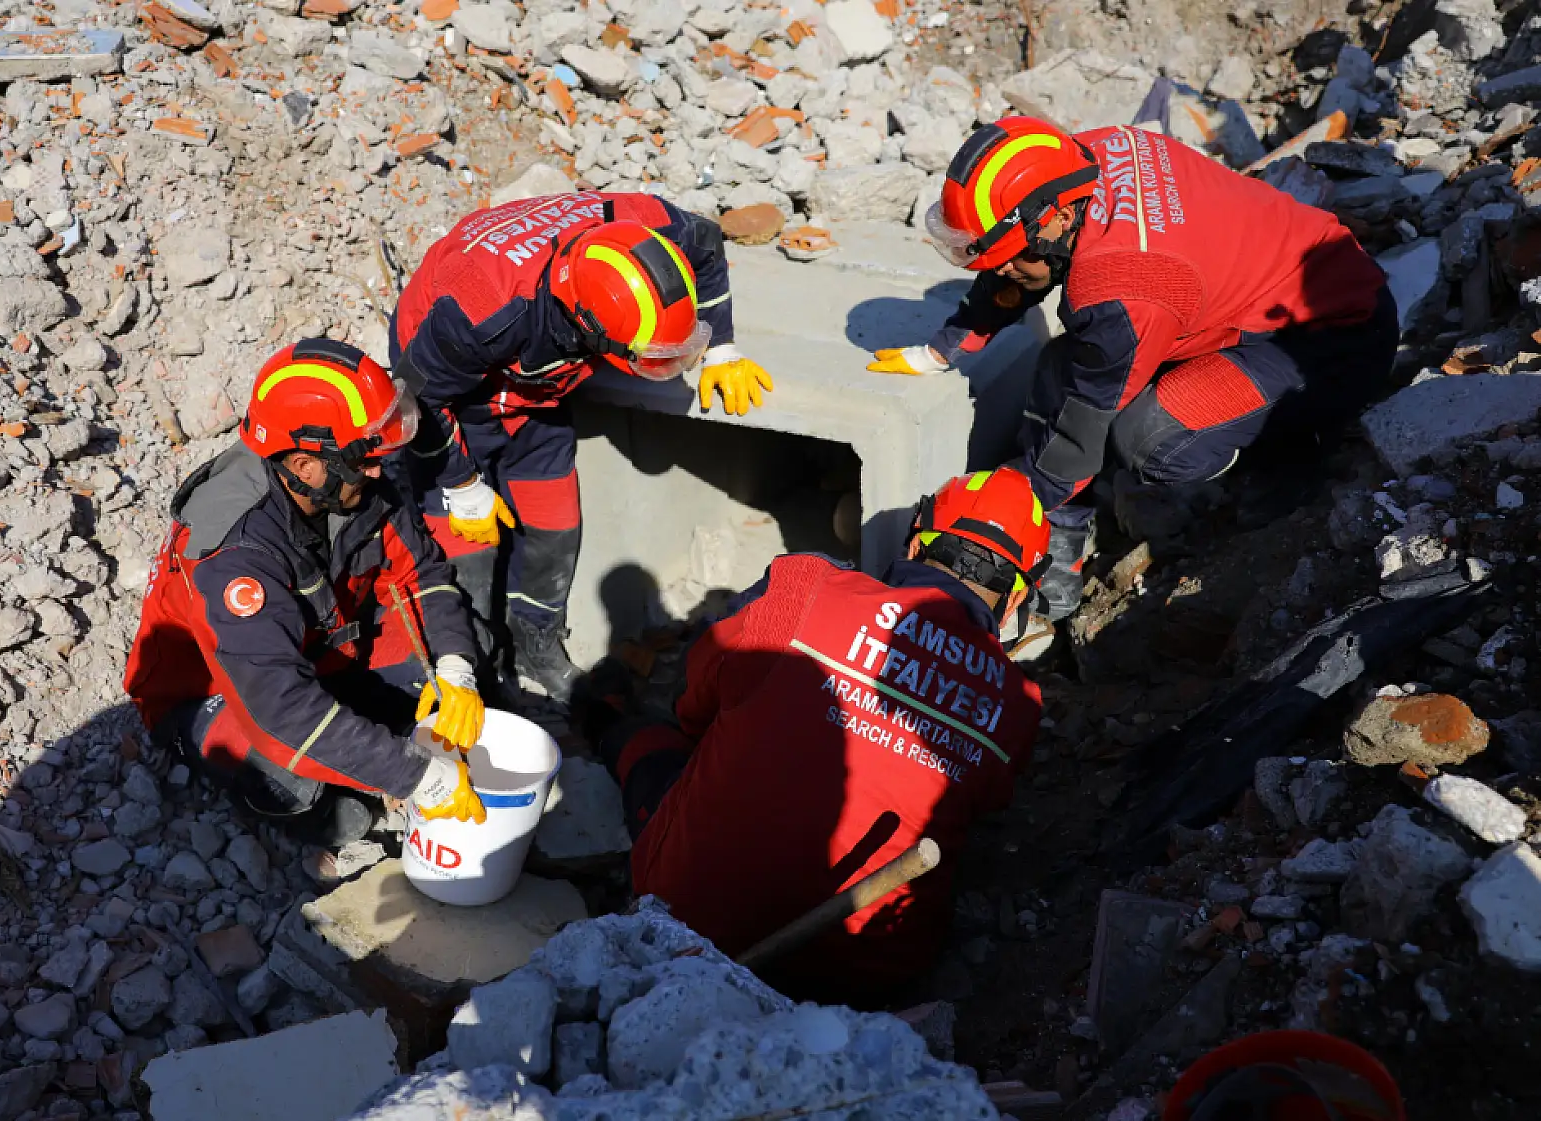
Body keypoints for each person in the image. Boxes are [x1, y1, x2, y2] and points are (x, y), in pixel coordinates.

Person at [869, 117, 1398, 619]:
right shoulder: (1082, 156)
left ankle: (1296, 451)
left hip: (1333, 336)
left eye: (1009, 255)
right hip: (1248, 293)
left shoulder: (1120, 289)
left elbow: (1083, 425)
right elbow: (1020, 267)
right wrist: (951, 343)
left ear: (1055, 218)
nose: (1003, 269)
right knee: (1069, 364)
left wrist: (1024, 512)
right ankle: (1070, 516)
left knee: (1150, 435)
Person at [602, 467, 1048, 1005]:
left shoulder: (801, 588)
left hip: (691, 924)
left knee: (653, 746)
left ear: (917, 537)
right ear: (1020, 594)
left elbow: (693, 705)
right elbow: (982, 804)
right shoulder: (1017, 707)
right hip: (866, 975)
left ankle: (602, 722)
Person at [388, 191, 775, 703]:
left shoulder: (644, 225)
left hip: (538, 396)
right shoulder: (479, 309)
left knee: (556, 527)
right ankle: (479, 677)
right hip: (447, 403)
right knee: (465, 559)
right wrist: (460, 483)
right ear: (586, 326)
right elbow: (417, 401)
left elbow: (705, 242)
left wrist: (721, 345)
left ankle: (536, 647)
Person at [125, 339, 490, 846]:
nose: (378, 470)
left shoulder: (350, 482)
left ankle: (376, 749)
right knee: (305, 792)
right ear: (304, 465)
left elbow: (421, 576)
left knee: (464, 654)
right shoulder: (235, 555)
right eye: (365, 459)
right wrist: (416, 777)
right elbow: (279, 710)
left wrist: (456, 667)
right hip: (214, 692)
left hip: (322, 651)